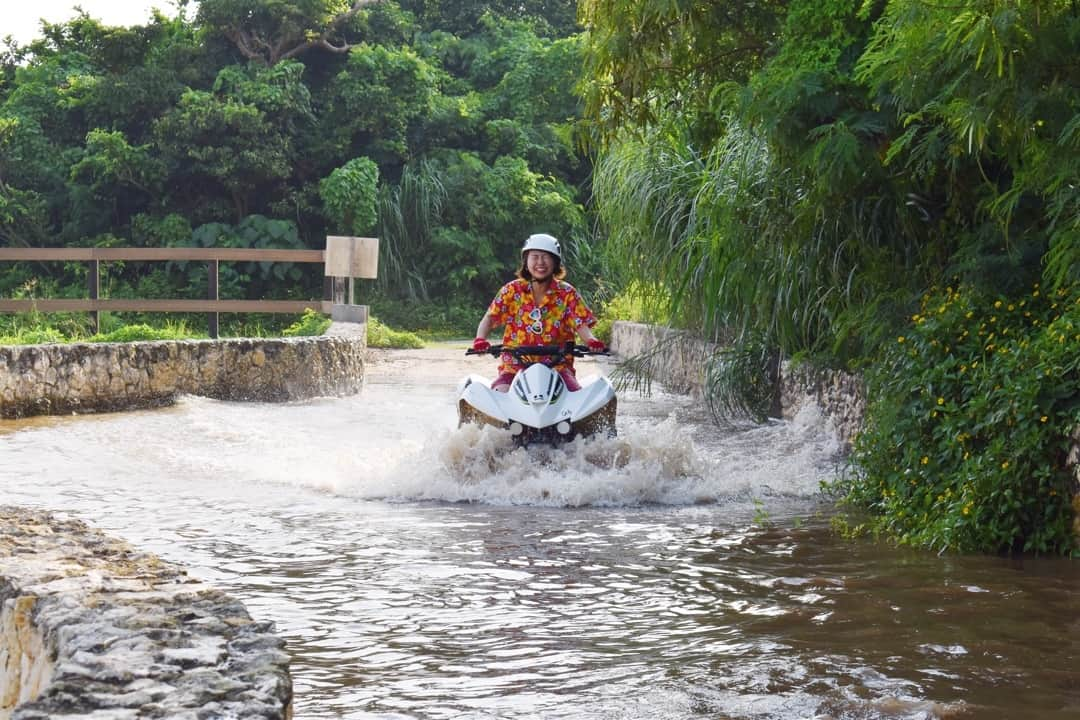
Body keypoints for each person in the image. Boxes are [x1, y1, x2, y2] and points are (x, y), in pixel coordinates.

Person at [473, 233, 605, 392]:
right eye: (535, 257)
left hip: (558, 368)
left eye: (546, 257)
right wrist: (480, 340)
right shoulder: (511, 290)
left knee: (576, 396)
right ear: (526, 261)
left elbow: (581, 325)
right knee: (498, 395)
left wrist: (592, 342)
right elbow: (489, 318)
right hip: (515, 367)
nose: (540, 262)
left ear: (555, 262)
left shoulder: (567, 293)